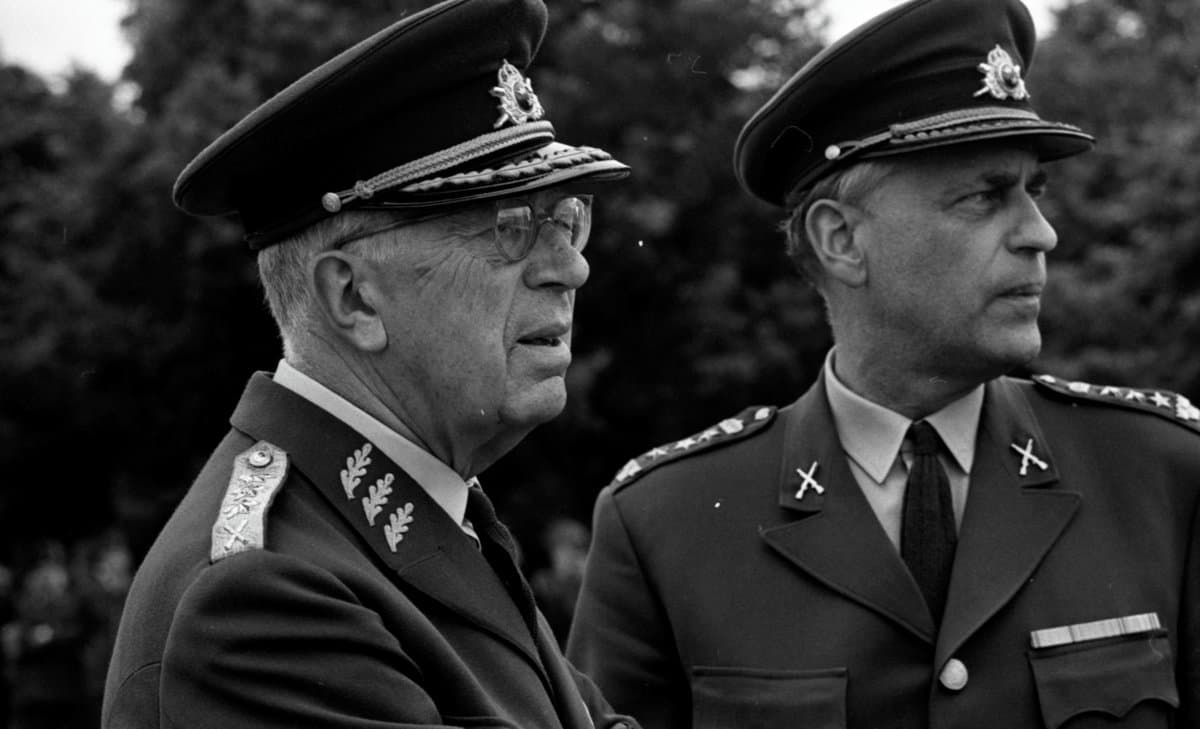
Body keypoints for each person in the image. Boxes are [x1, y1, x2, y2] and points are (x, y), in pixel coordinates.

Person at [566, 0, 1200, 727]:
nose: (1041, 233)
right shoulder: (663, 524)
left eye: (1036, 191)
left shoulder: (1162, 473)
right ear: (841, 240)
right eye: (986, 196)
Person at [101, 1, 638, 727]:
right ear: (353, 296)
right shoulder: (268, 600)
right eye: (512, 227)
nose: (568, 267)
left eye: (568, 218)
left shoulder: (418, 516)